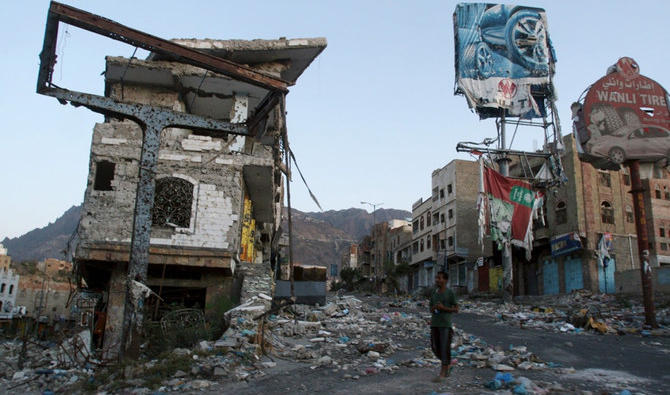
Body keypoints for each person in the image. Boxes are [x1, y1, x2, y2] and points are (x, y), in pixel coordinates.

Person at [429, 270, 458, 382]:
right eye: (437, 278)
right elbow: (430, 309)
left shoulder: (450, 293)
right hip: (435, 323)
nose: (437, 280)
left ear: (445, 280)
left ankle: (443, 371)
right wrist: (435, 308)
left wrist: (444, 308)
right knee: (435, 347)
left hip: (445, 324)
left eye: (440, 278)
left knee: (444, 347)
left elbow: (456, 309)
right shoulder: (434, 293)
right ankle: (448, 365)